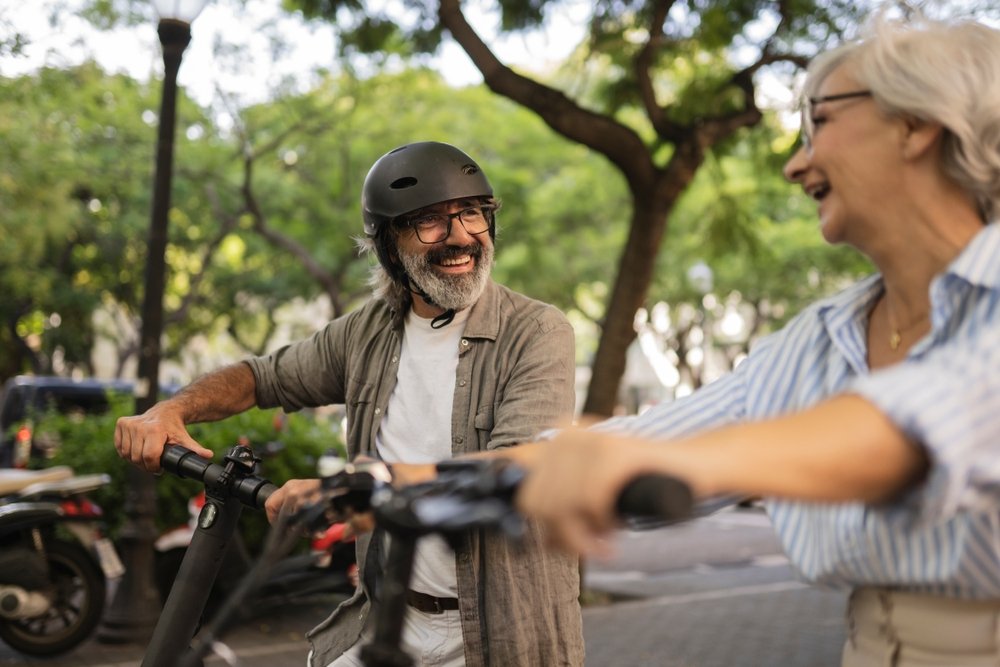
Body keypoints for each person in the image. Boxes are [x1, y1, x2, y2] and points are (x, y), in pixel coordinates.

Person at [513, 13, 1000, 667]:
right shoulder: (818, 339)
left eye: (819, 123)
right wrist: (396, 483)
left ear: (916, 121)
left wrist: (701, 463)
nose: (795, 165)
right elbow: (632, 444)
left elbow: (929, 416)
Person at [114, 141, 585, 667]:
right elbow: (262, 377)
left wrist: (359, 489)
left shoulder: (537, 331)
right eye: (429, 221)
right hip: (387, 619)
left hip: (501, 633)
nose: (459, 237)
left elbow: (514, 470)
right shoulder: (368, 330)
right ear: (388, 244)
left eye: (471, 213)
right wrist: (171, 412)